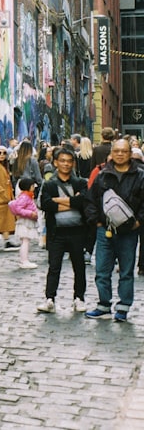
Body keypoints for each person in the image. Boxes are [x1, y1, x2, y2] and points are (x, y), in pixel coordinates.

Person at [84, 138, 144, 322]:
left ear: (130, 153)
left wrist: (139, 222)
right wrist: (96, 221)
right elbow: (90, 200)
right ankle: (103, 305)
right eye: (116, 151)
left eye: (123, 151)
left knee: (126, 271)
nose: (119, 154)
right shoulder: (103, 175)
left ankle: (123, 307)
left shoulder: (140, 176)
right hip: (105, 231)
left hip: (128, 232)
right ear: (112, 153)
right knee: (102, 270)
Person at [36, 147, 88, 313]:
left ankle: (79, 298)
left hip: (77, 231)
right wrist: (72, 201)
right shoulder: (50, 184)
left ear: (73, 163)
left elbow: (84, 202)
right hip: (56, 232)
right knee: (54, 267)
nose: (66, 164)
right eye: (63, 161)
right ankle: (50, 298)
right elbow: (46, 205)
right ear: (56, 162)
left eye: (69, 161)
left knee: (79, 267)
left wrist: (59, 201)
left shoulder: (80, 182)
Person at [8, 178, 39, 269]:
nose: (34, 187)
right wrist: (30, 213)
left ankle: (24, 260)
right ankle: (24, 261)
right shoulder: (25, 197)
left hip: (27, 220)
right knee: (25, 241)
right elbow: (18, 209)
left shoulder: (26, 196)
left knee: (25, 241)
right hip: (26, 221)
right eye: (32, 186)